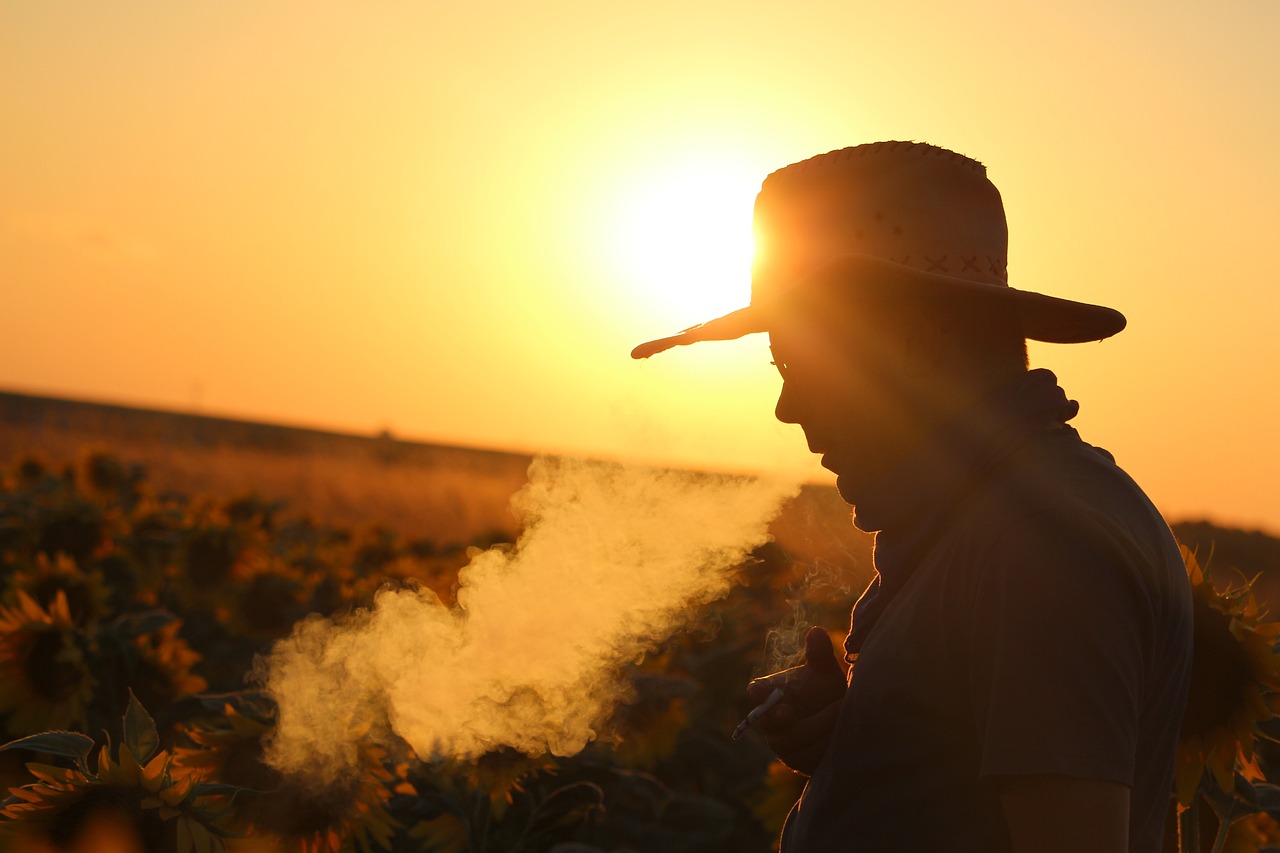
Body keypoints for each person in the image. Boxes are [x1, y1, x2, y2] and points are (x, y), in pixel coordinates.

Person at [631, 141, 1193, 852]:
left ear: (913, 341)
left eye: (801, 361)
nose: (786, 405)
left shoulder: (1042, 546)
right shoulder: (983, 517)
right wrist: (865, 735)